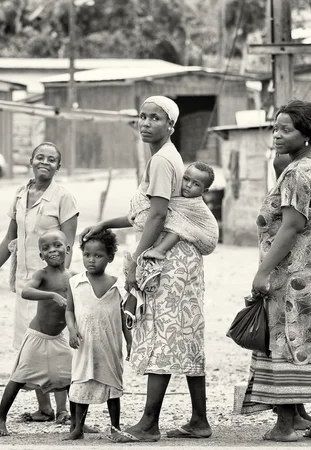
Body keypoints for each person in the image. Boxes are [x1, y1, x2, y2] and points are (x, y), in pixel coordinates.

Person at [81, 96, 212, 443]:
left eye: (155, 118)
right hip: (178, 260)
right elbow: (145, 213)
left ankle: (149, 423)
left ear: (170, 125)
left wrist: (138, 261)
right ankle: (199, 420)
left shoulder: (162, 160)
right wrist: (104, 223)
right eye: (142, 116)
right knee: (182, 337)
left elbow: (157, 216)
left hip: (168, 262)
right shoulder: (165, 158)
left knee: (162, 338)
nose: (146, 123)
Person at [243, 100, 311, 442]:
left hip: (292, 274)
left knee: (285, 344)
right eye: (276, 127)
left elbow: (290, 227)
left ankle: (285, 425)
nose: (277, 135)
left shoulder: (298, 174)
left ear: (308, 135)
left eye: (286, 130)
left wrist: (262, 272)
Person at [0, 142, 79, 424]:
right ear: (31, 161)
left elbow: (68, 246)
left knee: (56, 340)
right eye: (40, 157)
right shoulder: (21, 194)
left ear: (58, 166)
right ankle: (44, 407)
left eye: (52, 159)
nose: (45, 162)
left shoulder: (64, 198)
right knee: (29, 341)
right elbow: (10, 239)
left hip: (52, 284)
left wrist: (61, 286)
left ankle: (62, 410)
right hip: (27, 283)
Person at [0, 230, 73, 436]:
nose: (52, 250)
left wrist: (75, 330)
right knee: (19, 377)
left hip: (58, 338)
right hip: (38, 337)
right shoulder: (42, 275)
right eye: (45, 248)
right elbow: (26, 291)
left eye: (57, 245)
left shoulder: (72, 276)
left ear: (68, 249)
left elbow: (76, 306)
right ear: (41, 256)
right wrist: (52, 295)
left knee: (72, 378)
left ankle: (77, 423)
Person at [64, 230, 132, 441]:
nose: (91, 260)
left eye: (98, 255)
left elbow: (123, 317)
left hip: (109, 346)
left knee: (112, 386)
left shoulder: (117, 285)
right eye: (87, 255)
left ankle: (115, 427)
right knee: (81, 385)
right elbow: (69, 310)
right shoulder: (75, 282)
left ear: (110, 257)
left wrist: (130, 342)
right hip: (84, 345)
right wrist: (72, 330)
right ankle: (77, 428)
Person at [143, 161, 217, 260]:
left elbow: (161, 209)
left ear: (204, 191)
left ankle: (160, 250)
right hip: (200, 234)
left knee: (178, 225)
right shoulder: (181, 198)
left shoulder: (194, 204)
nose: (188, 185)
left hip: (208, 238)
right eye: (186, 179)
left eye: (196, 184)